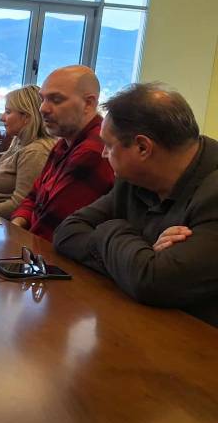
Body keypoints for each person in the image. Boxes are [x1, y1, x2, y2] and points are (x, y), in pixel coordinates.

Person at [55, 83, 218, 326]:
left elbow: (154, 283)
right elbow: (67, 232)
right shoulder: (135, 178)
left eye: (109, 145)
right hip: (139, 322)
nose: (103, 154)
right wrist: (143, 252)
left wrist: (111, 230)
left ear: (142, 147)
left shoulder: (212, 195)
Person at [10, 66, 114, 241]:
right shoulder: (64, 142)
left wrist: (15, 240)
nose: (43, 108)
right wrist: (17, 224)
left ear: (89, 103)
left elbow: (52, 227)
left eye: (56, 100)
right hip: (34, 243)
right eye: (42, 99)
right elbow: (33, 196)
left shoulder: (94, 150)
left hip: (52, 252)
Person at [0, 84, 55, 218]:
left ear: (26, 117)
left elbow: (19, 204)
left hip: (0, 223)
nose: (2, 117)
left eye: (8, 112)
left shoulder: (35, 152)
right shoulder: (17, 142)